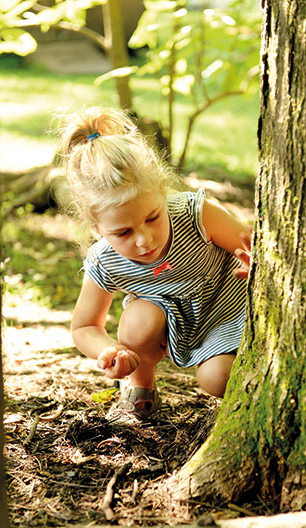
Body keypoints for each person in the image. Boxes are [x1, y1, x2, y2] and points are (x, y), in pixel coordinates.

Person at [59, 107, 252, 419]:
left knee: (217, 380)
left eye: (152, 217)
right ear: (94, 227)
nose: (144, 239)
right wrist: (108, 350)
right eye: (122, 232)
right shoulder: (104, 261)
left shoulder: (195, 214)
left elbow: (250, 245)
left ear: (162, 189)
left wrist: (254, 263)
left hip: (228, 311)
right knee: (137, 320)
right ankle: (140, 388)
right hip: (171, 322)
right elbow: (85, 326)